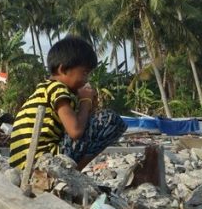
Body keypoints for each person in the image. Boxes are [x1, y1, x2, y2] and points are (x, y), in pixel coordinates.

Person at [8, 36, 126, 172]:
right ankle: (72, 173)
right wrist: (85, 102)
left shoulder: (45, 89)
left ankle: (70, 173)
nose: (86, 80)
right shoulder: (57, 89)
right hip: (41, 164)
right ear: (63, 69)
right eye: (84, 73)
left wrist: (89, 105)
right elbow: (75, 131)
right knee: (111, 120)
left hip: (25, 166)